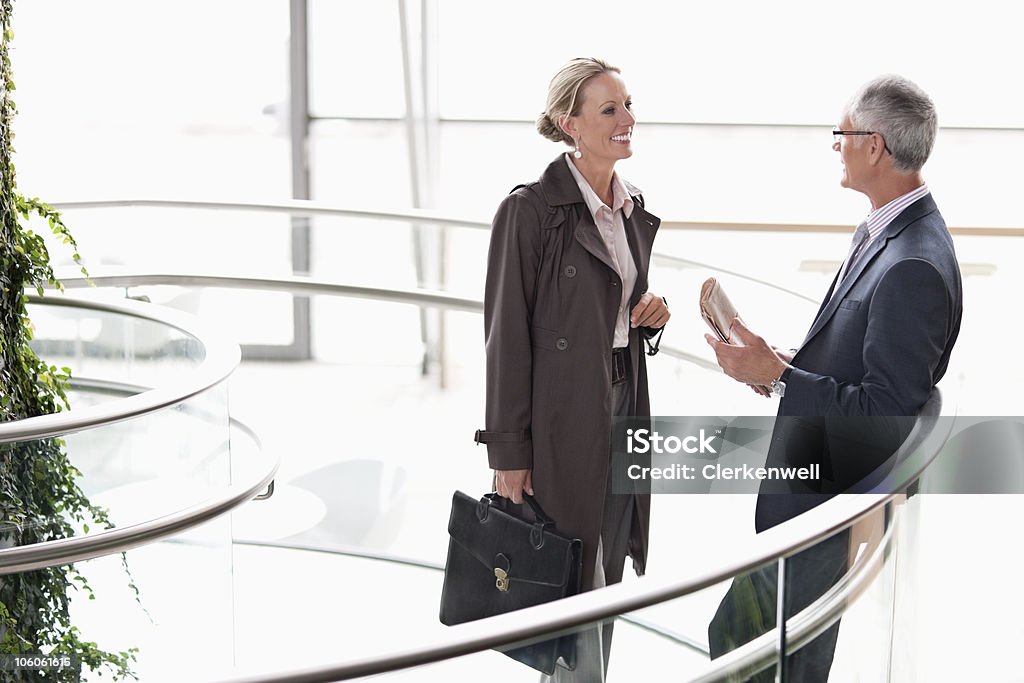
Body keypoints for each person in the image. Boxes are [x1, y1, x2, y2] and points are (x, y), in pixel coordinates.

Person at [705, 74, 963, 680]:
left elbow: (885, 413)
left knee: (765, 656)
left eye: (841, 133)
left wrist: (784, 379)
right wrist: (777, 366)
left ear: (874, 145)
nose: (835, 145)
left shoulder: (914, 263)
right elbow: (862, 356)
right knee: (748, 644)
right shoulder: (885, 228)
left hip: (830, 503)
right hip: (813, 491)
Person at [475, 57, 670, 681]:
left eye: (628, 105)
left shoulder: (632, 208)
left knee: (608, 570)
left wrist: (650, 315)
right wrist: (509, 450)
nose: (627, 120)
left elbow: (609, 309)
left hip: (623, 397)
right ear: (570, 124)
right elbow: (506, 335)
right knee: (566, 574)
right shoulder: (531, 211)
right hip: (564, 411)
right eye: (609, 109)